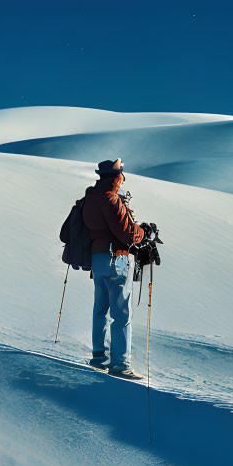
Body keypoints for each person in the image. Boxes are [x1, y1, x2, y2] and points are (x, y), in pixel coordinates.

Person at [82, 158, 145, 379]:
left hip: (98, 259)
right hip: (116, 259)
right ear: (116, 177)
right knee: (122, 313)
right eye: (121, 174)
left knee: (100, 309)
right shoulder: (111, 199)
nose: (122, 178)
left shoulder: (89, 199)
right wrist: (143, 233)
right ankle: (121, 364)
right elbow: (127, 233)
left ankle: (99, 357)